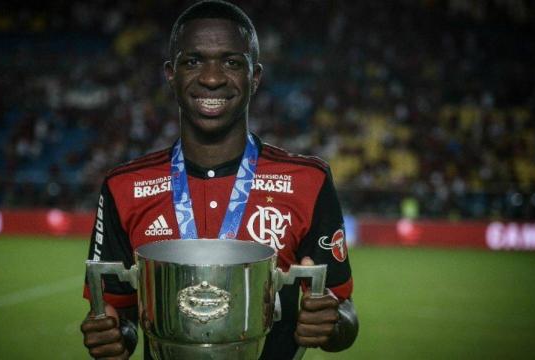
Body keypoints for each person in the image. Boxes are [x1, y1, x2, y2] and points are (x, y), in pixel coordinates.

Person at [80, 1, 358, 359]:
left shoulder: (308, 181)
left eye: (231, 62)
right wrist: (115, 335)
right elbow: (119, 314)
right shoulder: (124, 187)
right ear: (171, 73)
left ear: (254, 77)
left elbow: (345, 309)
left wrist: (333, 324)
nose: (212, 78)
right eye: (193, 61)